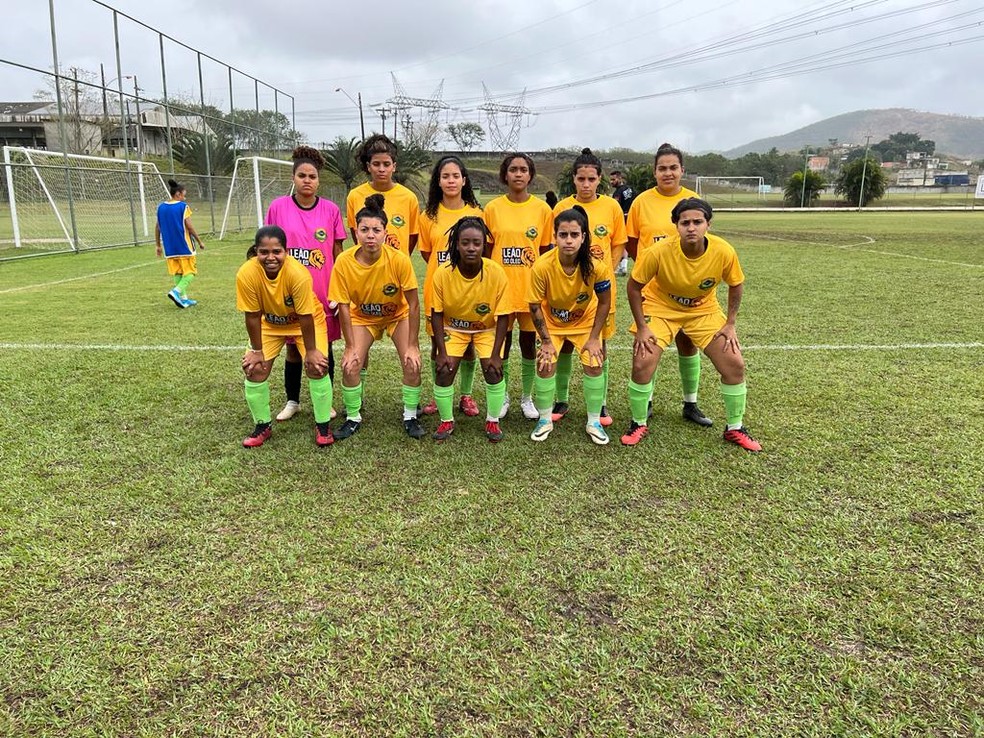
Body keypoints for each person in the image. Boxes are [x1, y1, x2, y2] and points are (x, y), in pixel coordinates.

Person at [621, 198, 761, 452]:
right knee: (642, 361)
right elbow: (633, 286)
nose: (691, 227)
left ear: (708, 224)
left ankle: (735, 428)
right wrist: (642, 327)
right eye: (685, 222)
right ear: (676, 225)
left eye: (698, 221)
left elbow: (736, 284)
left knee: (734, 363)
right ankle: (638, 422)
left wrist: (730, 324)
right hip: (661, 307)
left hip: (702, 310)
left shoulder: (723, 250)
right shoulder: (658, 251)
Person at [626, 142, 712, 428]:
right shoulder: (641, 202)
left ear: (682, 170)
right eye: (662, 168)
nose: (668, 173)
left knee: (688, 345)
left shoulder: (692, 198)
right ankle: (646, 401)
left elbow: (701, 242)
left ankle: (690, 403)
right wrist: (654, 270)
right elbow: (633, 242)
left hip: (687, 290)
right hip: (653, 291)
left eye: (673, 167)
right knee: (648, 346)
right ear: (654, 172)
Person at [328, 194, 424, 440]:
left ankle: (410, 415)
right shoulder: (343, 261)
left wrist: (413, 345)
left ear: (385, 233)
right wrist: (349, 347)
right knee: (350, 365)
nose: (370, 235)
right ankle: (353, 417)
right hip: (363, 318)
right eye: (364, 229)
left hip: (397, 316)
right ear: (356, 232)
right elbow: (345, 306)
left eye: (376, 230)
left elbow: (413, 304)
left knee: (412, 362)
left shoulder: (399, 260)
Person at [265, 146, 346, 424]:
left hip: (322, 294)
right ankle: (293, 400)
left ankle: (327, 400)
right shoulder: (278, 207)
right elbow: (269, 249)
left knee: (325, 349)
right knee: (291, 347)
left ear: (318, 179)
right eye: (302, 175)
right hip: (288, 295)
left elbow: (338, 254)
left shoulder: (331, 210)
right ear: (293, 177)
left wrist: (339, 291)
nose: (307, 180)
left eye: (312, 176)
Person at [236, 225, 334, 448]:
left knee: (317, 366)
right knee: (254, 369)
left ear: (285, 251)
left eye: (276, 252)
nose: (270, 257)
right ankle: (262, 426)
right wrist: (256, 350)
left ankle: (323, 426)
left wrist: (311, 351)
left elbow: (305, 316)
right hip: (270, 324)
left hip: (305, 322)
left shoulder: (297, 273)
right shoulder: (247, 273)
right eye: (264, 252)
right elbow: (252, 316)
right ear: (256, 251)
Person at [550, 148, 626, 429]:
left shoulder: (612, 206)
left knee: (599, 344)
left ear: (599, 179)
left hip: (600, 289)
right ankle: (561, 399)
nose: (585, 184)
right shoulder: (561, 208)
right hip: (567, 288)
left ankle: (600, 401)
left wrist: (606, 268)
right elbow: (553, 245)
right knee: (566, 344)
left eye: (591, 179)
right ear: (574, 179)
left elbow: (619, 242)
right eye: (581, 178)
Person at [527, 205, 613, 445]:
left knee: (595, 363)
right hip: (552, 324)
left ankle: (594, 421)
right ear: (555, 236)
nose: (568, 240)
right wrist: (545, 341)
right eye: (563, 235)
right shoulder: (542, 266)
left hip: (585, 322)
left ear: (583, 237)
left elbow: (604, 303)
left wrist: (595, 337)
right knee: (544, 364)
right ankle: (545, 419)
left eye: (574, 235)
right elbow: (534, 306)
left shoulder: (597, 267)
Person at [483, 152, 553, 420]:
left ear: (531, 175)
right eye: (513, 169)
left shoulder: (542, 210)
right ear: (505, 175)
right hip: (501, 291)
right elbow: (487, 251)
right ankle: (503, 397)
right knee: (502, 344)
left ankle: (526, 398)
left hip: (530, 291)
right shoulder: (492, 209)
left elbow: (546, 251)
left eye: (524, 170)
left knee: (527, 344)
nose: (519, 174)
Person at [431, 216, 510, 443]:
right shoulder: (443, 273)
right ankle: (447, 420)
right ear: (457, 244)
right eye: (465, 242)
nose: (471, 248)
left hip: (486, 329)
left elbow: (503, 316)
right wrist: (442, 351)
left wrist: (496, 355)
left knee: (494, 371)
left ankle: (493, 421)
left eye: (477, 243)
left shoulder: (496, 272)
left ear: (484, 244)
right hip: (453, 327)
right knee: (444, 370)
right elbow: (436, 314)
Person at [418, 156, 484, 418]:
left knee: (468, 344)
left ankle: (466, 396)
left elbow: (482, 252)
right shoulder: (428, 216)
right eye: (445, 176)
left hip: (469, 290)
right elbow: (427, 254)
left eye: (455, 176)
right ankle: (439, 393)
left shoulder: (477, 213)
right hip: (439, 289)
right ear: (439, 181)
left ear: (464, 180)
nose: (451, 181)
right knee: (438, 344)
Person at [346, 134, 419, 256]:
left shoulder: (409, 198)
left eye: (386, 164)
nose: (381, 169)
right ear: (369, 166)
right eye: (376, 164)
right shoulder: (355, 196)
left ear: (394, 167)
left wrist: (399, 259)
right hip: (367, 268)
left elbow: (412, 236)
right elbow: (356, 233)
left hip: (396, 269)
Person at [155, 179, 204, 308]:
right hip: (184, 246)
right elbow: (189, 226)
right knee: (191, 272)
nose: (184, 197)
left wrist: (158, 245)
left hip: (170, 248)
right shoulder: (183, 207)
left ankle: (183, 298)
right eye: (184, 194)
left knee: (178, 272)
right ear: (178, 194)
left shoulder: (161, 208)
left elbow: (158, 227)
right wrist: (199, 241)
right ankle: (176, 292)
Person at [609, 169, 633, 276]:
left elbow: (615, 207)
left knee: (620, 241)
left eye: (613, 179)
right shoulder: (631, 189)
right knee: (626, 242)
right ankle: (624, 266)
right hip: (632, 217)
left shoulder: (617, 193)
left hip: (622, 218)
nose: (611, 182)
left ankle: (621, 267)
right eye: (611, 180)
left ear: (620, 178)